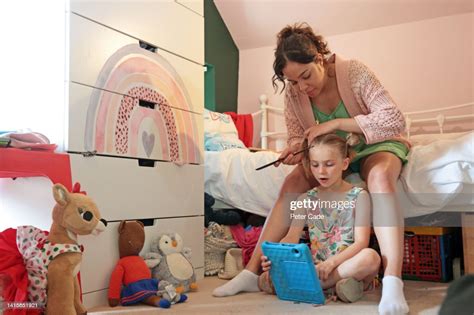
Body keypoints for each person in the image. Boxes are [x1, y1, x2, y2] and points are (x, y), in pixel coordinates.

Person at [213, 22, 410, 315]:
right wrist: (296, 149)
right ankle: (252, 273)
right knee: (292, 183)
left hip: (374, 144)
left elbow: (393, 119)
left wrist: (337, 124)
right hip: (329, 153)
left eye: (305, 76)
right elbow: (298, 135)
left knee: (380, 177)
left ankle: (394, 278)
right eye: (293, 82)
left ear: (319, 57)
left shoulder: (353, 72)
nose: (302, 88)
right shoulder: (294, 94)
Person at [259, 134, 381, 303]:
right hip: (316, 267)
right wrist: (276, 255)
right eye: (315, 165)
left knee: (371, 257)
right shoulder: (304, 199)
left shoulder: (360, 196)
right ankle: (337, 285)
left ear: (344, 164)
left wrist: (332, 263)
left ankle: (311, 284)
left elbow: (361, 243)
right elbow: (292, 236)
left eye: (329, 164)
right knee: (264, 278)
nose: (321, 171)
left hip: (344, 264)